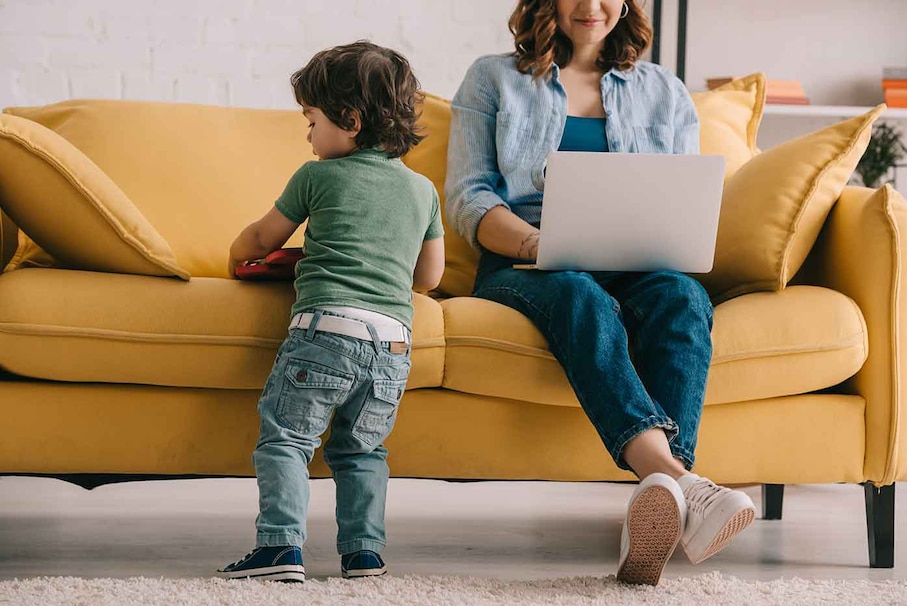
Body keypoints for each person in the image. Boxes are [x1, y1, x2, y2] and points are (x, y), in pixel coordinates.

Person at [446, 0, 755, 586]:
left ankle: (660, 500)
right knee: (579, 296)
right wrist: (541, 243)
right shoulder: (492, 79)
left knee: (684, 300)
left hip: (635, 258)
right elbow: (468, 197)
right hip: (527, 259)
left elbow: (678, 196)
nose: (591, 6)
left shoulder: (665, 91)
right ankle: (683, 484)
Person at [220, 40, 445, 583]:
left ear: (348, 119)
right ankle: (363, 554)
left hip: (325, 333)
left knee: (287, 440)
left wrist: (235, 254)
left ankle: (279, 548)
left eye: (311, 121)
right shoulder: (423, 190)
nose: (309, 135)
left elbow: (261, 237)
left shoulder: (316, 176)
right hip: (392, 346)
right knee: (363, 450)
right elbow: (429, 278)